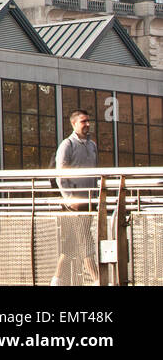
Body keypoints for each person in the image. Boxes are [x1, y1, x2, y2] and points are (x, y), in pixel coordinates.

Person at [53, 108, 100, 285]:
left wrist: (95, 196)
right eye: (83, 121)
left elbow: (95, 173)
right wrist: (69, 199)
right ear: (74, 124)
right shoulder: (67, 145)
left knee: (72, 244)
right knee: (85, 240)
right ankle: (97, 279)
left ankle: (56, 279)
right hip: (73, 204)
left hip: (89, 202)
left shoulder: (92, 145)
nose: (87, 124)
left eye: (88, 121)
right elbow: (60, 174)